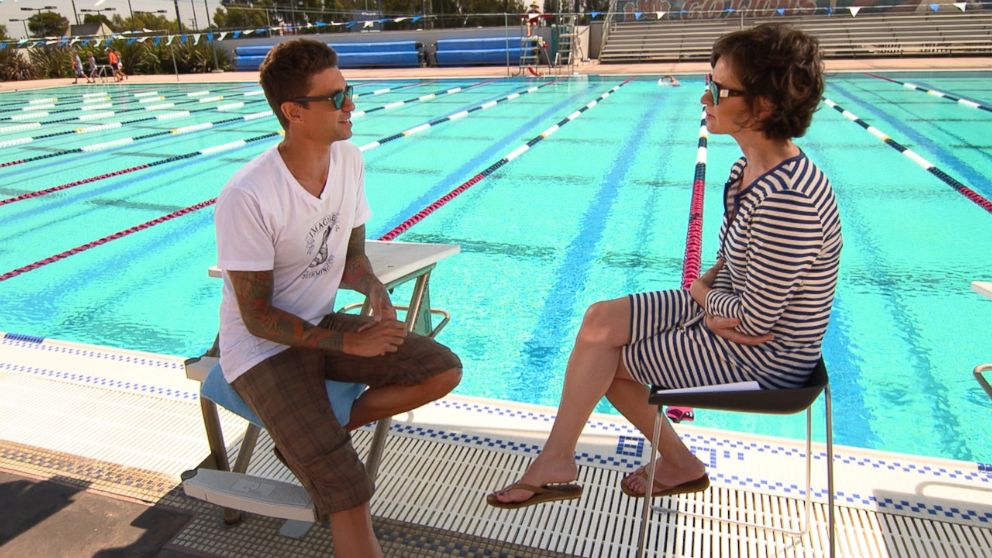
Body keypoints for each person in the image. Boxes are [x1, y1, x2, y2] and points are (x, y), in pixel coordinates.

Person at [487, 23, 841, 508]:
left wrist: (702, 297)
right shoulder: (747, 170)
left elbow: (758, 321)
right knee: (599, 320)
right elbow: (732, 271)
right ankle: (559, 458)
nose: (705, 97)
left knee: (608, 366)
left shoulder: (789, 198)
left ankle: (658, 463)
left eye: (719, 88)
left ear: (763, 105)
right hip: (728, 320)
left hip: (769, 358)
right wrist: (715, 300)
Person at [214, 39, 462, 557]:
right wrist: (349, 346)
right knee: (348, 491)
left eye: (348, 91)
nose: (351, 104)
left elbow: (350, 253)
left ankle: (314, 441)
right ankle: (319, 451)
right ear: (294, 112)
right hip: (262, 352)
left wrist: (372, 288)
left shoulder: (348, 160)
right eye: (337, 97)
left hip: (318, 324)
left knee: (441, 368)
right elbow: (256, 318)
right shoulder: (249, 194)